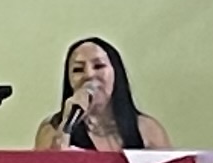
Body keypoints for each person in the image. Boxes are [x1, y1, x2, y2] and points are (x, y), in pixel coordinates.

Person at [34, 37, 169, 153]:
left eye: (99, 66)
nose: (89, 75)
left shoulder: (147, 129)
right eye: (78, 69)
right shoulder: (52, 129)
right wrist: (66, 124)